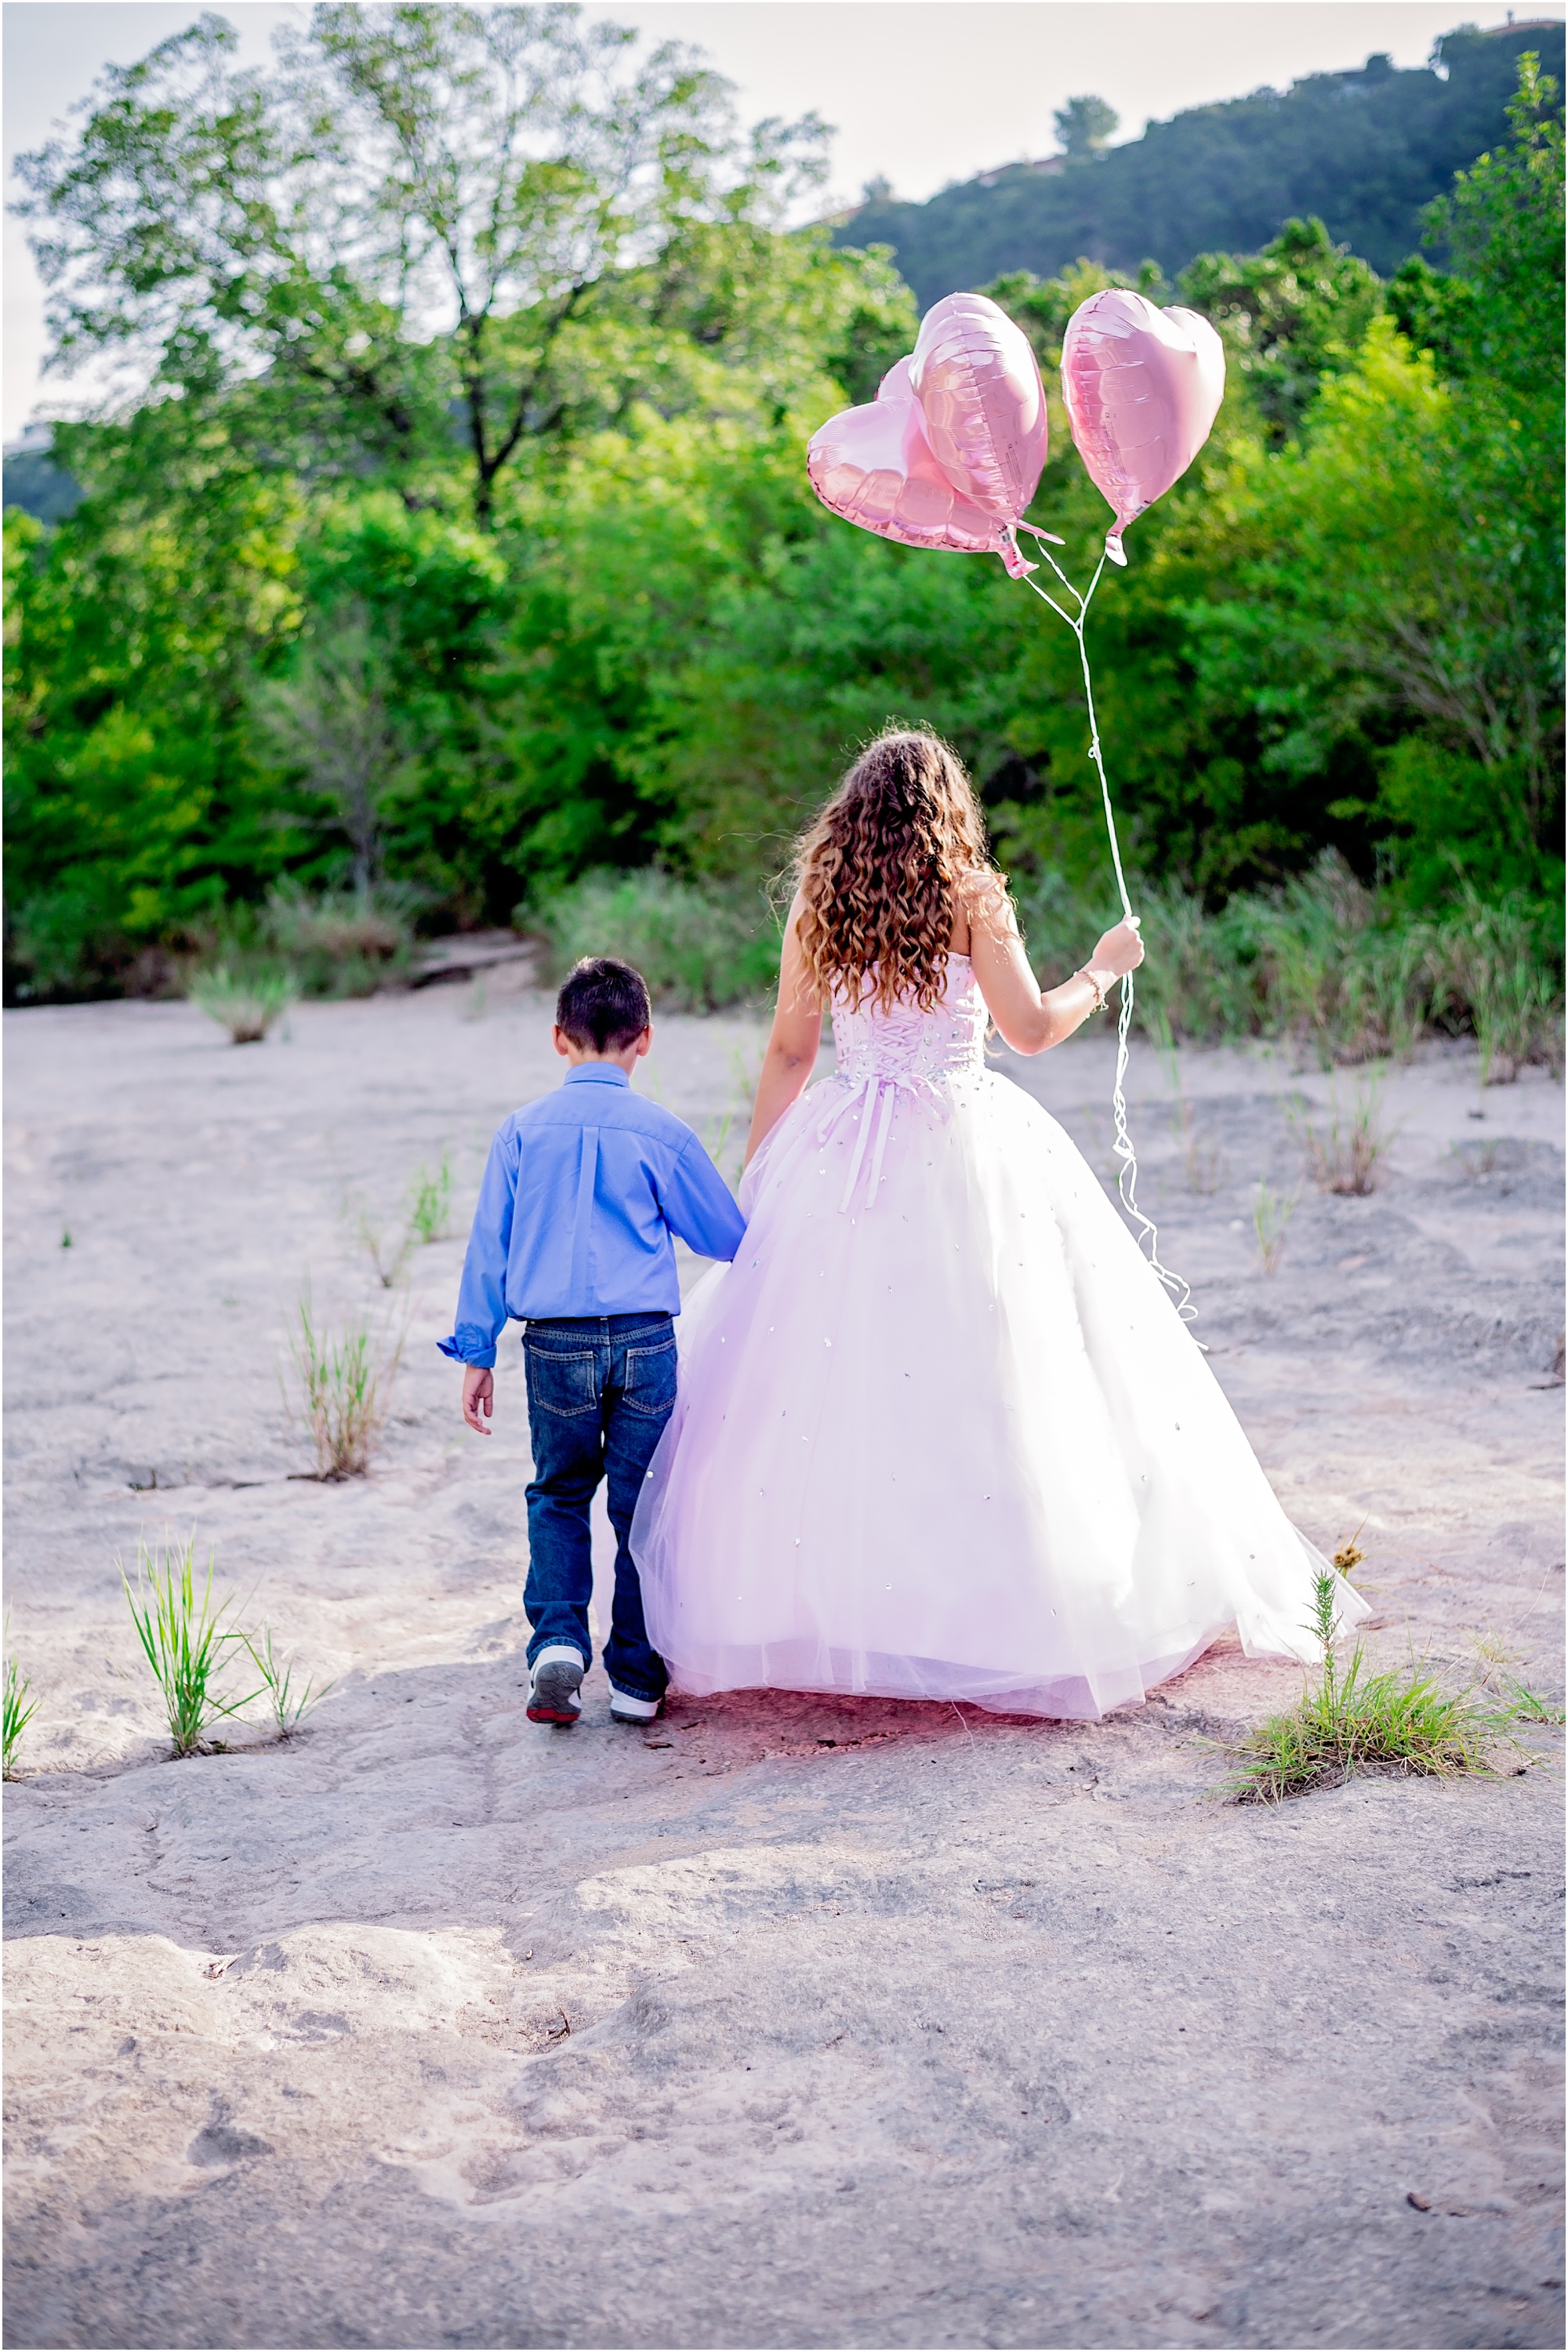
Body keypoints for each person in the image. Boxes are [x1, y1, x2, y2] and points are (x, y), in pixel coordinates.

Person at [632, 731, 1367, 1718]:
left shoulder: (821, 898)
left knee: (828, 1379)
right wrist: (1104, 969)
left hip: (840, 1151)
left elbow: (787, 1052)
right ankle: (997, 1612)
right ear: (950, 808)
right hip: (960, 1138)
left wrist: (759, 1180)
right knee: (990, 1371)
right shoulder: (972, 896)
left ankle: (842, 1614)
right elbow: (1028, 1031)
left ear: (849, 813)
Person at [440, 956, 746, 1728]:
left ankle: (556, 1645)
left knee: (558, 1493)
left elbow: (489, 1248)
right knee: (643, 1507)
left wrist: (477, 1349)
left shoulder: (519, 1133)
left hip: (553, 1345)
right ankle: (638, 1679)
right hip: (644, 1340)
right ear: (643, 1040)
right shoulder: (661, 1132)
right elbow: (723, 1237)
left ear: (558, 1039)